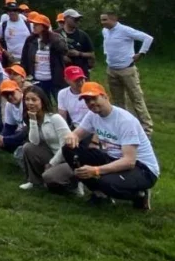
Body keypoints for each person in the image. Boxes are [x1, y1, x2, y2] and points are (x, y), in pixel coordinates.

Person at [47, 82, 159, 210]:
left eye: (94, 98)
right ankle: (100, 194)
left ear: (105, 97)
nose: (91, 103)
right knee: (69, 149)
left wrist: (96, 170)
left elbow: (129, 161)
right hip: (112, 158)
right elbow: (77, 134)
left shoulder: (125, 121)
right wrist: (72, 136)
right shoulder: (92, 115)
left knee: (105, 182)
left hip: (142, 168)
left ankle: (139, 194)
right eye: (87, 101)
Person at [99, 11, 154, 135]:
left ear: (113, 19)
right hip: (111, 70)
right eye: (102, 20)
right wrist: (106, 54)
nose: (102, 23)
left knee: (136, 99)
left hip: (127, 69)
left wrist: (142, 53)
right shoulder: (105, 31)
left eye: (105, 20)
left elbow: (147, 38)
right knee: (118, 101)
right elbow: (107, 44)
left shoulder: (125, 30)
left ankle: (147, 129)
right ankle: (124, 126)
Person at [18, 85, 71, 190]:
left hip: (66, 158)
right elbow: (34, 142)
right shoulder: (33, 118)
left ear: (42, 101)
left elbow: (66, 146)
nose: (30, 103)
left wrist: (51, 164)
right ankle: (34, 181)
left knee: (49, 178)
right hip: (51, 154)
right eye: (27, 100)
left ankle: (74, 184)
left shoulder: (55, 118)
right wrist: (32, 120)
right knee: (27, 147)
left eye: (34, 100)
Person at [20, 13, 67, 100]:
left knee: (61, 102)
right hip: (37, 79)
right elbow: (24, 59)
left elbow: (63, 50)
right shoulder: (30, 40)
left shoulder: (55, 38)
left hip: (55, 79)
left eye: (37, 24)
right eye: (33, 24)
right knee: (43, 105)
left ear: (44, 26)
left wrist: (51, 37)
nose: (33, 26)